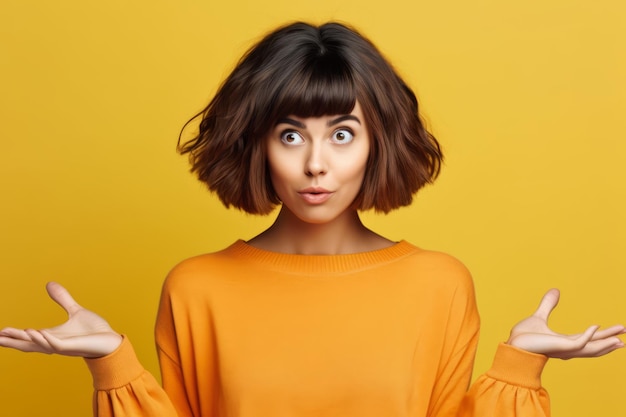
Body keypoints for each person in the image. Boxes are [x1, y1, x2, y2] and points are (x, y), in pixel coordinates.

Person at [0, 21, 624, 417]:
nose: (317, 165)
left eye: (344, 133)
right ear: (257, 143)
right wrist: (112, 364)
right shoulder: (197, 288)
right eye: (291, 135)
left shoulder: (439, 284)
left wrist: (518, 369)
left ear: (379, 143)